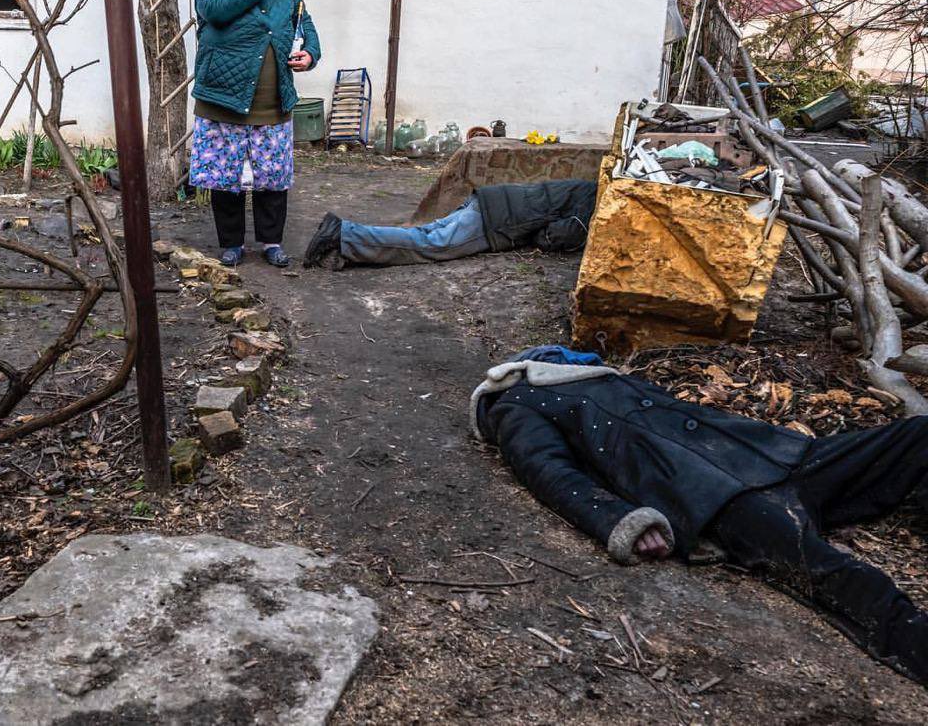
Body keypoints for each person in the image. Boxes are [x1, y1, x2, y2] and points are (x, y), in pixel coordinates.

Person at [472, 345, 928, 686]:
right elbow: (549, 474)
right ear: (528, 364)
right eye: (558, 354)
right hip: (719, 498)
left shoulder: (597, 377)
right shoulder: (518, 401)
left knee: (916, 437)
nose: (570, 355)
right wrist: (623, 522)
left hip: (783, 455)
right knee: (842, 577)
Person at [189, 0, 321, 268]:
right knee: (225, 178)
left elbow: (302, 19)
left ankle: (271, 243)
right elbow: (214, 10)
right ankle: (231, 244)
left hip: (273, 103)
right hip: (223, 101)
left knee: (272, 178)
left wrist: (310, 51)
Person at [303, 179, 596, 269]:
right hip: (494, 221)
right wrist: (540, 239)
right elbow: (559, 236)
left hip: (487, 201)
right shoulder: (596, 201)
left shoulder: (585, 186)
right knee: (430, 245)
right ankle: (343, 234)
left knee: (423, 234)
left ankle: (345, 246)